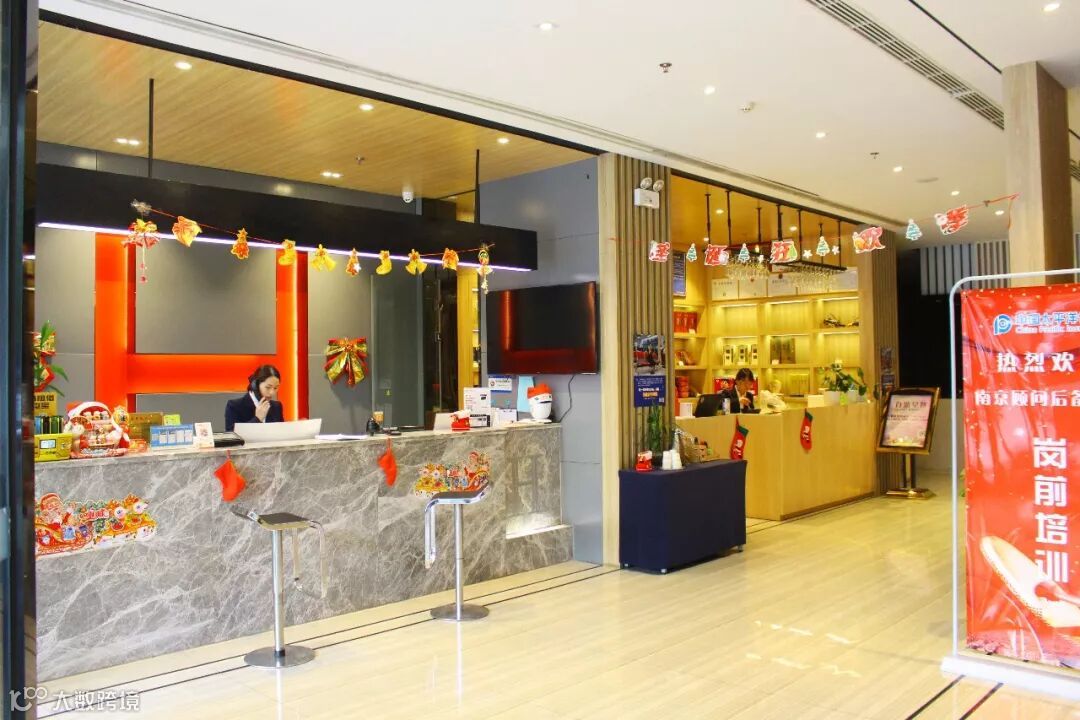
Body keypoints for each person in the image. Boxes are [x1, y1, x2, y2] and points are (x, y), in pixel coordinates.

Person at [225, 364, 284, 431]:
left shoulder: (277, 406)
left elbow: (281, 433)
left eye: (275, 388)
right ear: (255, 385)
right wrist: (257, 419)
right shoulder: (234, 406)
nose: (272, 393)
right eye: (268, 387)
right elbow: (232, 434)